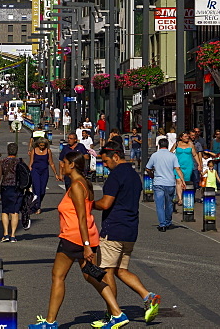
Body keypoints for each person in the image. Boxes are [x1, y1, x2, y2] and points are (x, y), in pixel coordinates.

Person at [28, 151, 127, 329]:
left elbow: (82, 217)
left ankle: (50, 323)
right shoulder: (84, 183)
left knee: (58, 276)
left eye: (64, 163)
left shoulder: (76, 186)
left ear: (72, 165)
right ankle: (117, 313)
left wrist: (86, 246)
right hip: (85, 236)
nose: (62, 165)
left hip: (74, 238)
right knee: (92, 276)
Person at [91, 143, 161, 325]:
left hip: (113, 229)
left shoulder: (115, 176)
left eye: (106, 161)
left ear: (115, 156)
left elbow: (106, 204)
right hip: (130, 229)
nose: (104, 165)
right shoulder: (133, 174)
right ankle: (148, 296)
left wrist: (88, 203)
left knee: (106, 272)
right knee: (121, 270)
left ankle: (114, 314)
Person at [145, 138, 184, 231]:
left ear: (159, 145)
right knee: (169, 204)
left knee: (159, 205)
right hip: (170, 183)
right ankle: (168, 222)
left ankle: (162, 224)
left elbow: (147, 168)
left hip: (158, 182)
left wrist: (152, 175)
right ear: (167, 145)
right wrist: (183, 180)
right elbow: (178, 169)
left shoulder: (154, 155)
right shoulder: (172, 156)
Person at [0, 143, 23, 241]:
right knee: (15, 212)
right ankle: (13, 235)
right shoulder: (20, 161)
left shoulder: (3, 161)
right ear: (16, 151)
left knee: (5, 211)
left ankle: (5, 234)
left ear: (8, 151)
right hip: (17, 188)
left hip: (6, 188)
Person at [30, 135, 59, 214]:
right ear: (38, 144)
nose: (42, 147)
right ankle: (37, 207)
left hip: (44, 171)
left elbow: (51, 163)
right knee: (37, 189)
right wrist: (29, 173)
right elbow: (31, 163)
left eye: (43, 145)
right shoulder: (34, 150)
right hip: (35, 171)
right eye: (40, 145)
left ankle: (36, 203)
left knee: (42, 191)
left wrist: (56, 174)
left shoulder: (48, 151)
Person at [171, 131, 201, 204]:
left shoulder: (191, 144)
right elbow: (170, 152)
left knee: (185, 181)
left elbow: (195, 155)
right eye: (185, 136)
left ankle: (185, 196)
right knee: (178, 181)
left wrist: (199, 164)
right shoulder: (177, 144)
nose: (187, 137)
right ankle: (180, 198)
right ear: (181, 137)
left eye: (187, 136)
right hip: (178, 165)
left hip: (188, 165)